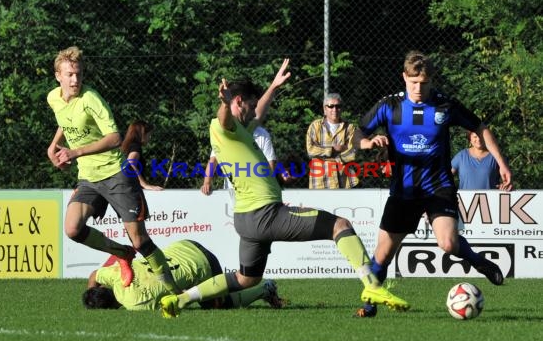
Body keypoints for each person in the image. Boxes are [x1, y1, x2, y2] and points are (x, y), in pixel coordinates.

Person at [160, 58, 409, 319]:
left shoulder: (241, 130)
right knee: (341, 225)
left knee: (247, 279)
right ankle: (372, 286)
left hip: (245, 220)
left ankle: (181, 299)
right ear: (238, 102)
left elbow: (257, 113)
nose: (254, 111)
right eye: (250, 105)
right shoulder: (226, 126)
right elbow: (225, 118)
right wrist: (224, 103)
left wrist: (274, 86)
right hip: (265, 214)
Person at [354, 50, 512, 317]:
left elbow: (480, 127)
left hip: (438, 186)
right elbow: (359, 132)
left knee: (448, 244)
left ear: (431, 80)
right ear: (404, 77)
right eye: (413, 82)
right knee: (382, 256)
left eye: (424, 83)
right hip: (403, 190)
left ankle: (478, 262)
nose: (418, 88)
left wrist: (502, 163)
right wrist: (368, 142)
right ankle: (369, 305)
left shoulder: (445, 105)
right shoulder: (388, 106)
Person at [46, 46, 178, 292]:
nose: (75, 79)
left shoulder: (91, 99)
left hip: (116, 175)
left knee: (140, 240)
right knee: (72, 229)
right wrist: (54, 146)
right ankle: (122, 253)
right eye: (70, 74)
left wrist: (75, 152)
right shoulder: (53, 98)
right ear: (58, 76)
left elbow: (115, 138)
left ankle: (173, 291)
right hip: (88, 178)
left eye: (79, 74)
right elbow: (65, 120)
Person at [83, 239, 283, 311]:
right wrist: (91, 290)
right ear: (104, 288)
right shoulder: (115, 275)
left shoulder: (135, 305)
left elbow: (173, 302)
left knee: (220, 306)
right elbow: (94, 274)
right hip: (186, 245)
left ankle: (264, 289)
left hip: (203, 265)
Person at [306, 93, 359, 188]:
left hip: (344, 180)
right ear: (324, 109)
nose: (334, 109)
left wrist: (323, 155)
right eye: (331, 106)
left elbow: (352, 153)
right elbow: (311, 150)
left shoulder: (349, 128)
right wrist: (333, 150)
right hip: (320, 181)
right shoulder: (315, 126)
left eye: (338, 106)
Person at [121, 120, 164, 190]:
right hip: (133, 188)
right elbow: (131, 163)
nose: (150, 138)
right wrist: (144, 184)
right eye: (149, 135)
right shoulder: (135, 147)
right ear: (142, 134)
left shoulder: (126, 146)